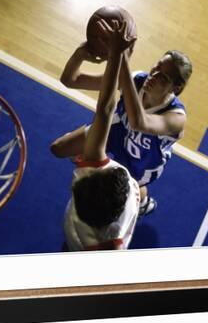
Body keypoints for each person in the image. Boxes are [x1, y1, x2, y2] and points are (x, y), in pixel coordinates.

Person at [51, 24, 193, 218]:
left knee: (109, 207)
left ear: (176, 88)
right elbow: (70, 80)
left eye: (164, 76)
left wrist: (122, 57)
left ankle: (142, 201)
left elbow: (139, 122)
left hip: (142, 160)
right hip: (116, 132)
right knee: (58, 148)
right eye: (157, 66)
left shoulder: (176, 118)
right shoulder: (136, 80)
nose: (154, 74)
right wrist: (80, 54)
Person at [63, 18, 141, 251]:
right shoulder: (115, 242)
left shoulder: (86, 180)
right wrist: (117, 54)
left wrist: (115, 54)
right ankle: (145, 200)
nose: (105, 164)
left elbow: (105, 110)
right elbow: (107, 110)